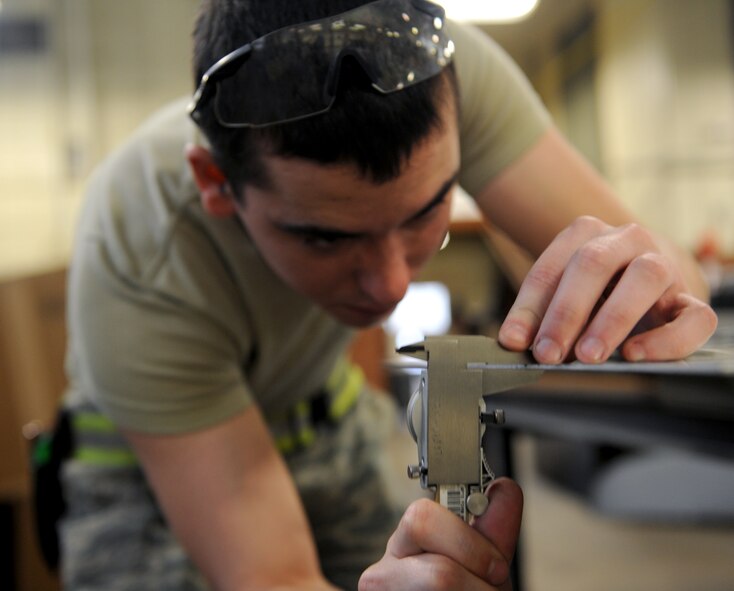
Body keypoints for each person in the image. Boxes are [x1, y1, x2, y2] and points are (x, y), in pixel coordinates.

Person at [57, 0, 718, 589]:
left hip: (329, 418)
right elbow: (273, 574)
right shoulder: (141, 238)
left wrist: (656, 294)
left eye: (426, 209)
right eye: (323, 238)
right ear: (215, 182)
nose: (393, 285)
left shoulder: (447, 76)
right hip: (153, 469)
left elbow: (673, 281)